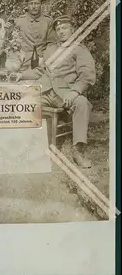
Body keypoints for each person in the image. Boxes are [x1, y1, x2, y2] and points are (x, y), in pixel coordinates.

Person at [19, 15, 96, 168]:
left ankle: (78, 150)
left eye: (64, 28)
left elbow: (87, 74)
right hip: (46, 91)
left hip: (66, 93)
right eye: (58, 29)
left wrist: (75, 91)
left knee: (82, 103)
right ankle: (28, 148)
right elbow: (41, 70)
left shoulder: (79, 49)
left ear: (72, 29)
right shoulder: (51, 49)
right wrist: (21, 75)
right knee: (22, 101)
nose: (61, 32)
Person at [14, 0, 56, 69]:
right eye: (31, 3)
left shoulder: (48, 21)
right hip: (23, 59)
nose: (34, 6)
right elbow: (14, 43)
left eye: (36, 3)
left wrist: (46, 57)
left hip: (41, 59)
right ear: (27, 6)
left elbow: (51, 44)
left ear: (41, 5)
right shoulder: (19, 21)